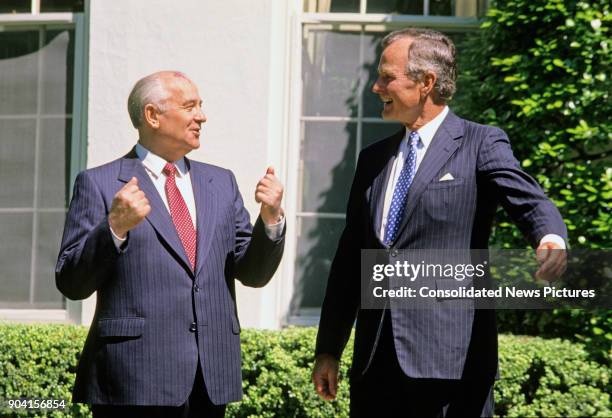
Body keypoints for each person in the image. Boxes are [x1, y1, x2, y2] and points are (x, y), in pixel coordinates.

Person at [311, 28, 567, 417]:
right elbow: (350, 261)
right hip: (375, 364)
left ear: (426, 82)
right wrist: (329, 349)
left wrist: (549, 236)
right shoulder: (372, 159)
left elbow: (526, 198)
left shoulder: (480, 143)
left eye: (387, 77)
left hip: (451, 365)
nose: (376, 87)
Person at [56, 70, 285, 417]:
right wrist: (114, 227)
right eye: (190, 106)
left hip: (209, 380)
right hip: (133, 380)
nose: (202, 116)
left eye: (201, 106)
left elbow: (251, 273)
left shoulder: (220, 183)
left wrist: (269, 219)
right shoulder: (100, 184)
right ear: (152, 116)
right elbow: (71, 282)